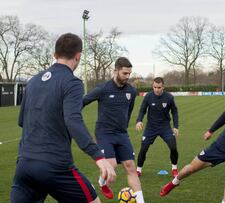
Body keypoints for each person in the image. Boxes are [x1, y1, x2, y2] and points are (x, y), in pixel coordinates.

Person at [10, 33, 116, 203]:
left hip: (24, 165)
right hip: (55, 166)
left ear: (55, 55)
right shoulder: (72, 83)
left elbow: (22, 121)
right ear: (78, 56)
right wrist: (99, 157)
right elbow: (73, 120)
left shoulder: (33, 81)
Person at [160, 84, 225, 203]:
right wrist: (211, 130)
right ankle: (174, 182)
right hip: (219, 146)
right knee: (191, 168)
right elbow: (224, 116)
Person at [83, 57, 145, 203]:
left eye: (129, 73)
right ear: (115, 71)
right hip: (104, 133)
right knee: (111, 165)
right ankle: (102, 183)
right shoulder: (103, 89)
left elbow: (128, 112)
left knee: (130, 166)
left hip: (121, 133)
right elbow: (82, 101)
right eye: (124, 73)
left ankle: (141, 201)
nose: (127, 76)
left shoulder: (131, 91)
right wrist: (70, 116)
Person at [135, 77, 179, 177]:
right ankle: (138, 170)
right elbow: (142, 110)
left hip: (165, 127)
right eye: (155, 87)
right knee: (143, 148)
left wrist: (176, 126)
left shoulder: (169, 97)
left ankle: (174, 169)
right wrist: (139, 121)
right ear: (153, 86)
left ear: (163, 87)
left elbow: (174, 112)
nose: (156, 89)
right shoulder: (148, 97)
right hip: (151, 127)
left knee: (173, 147)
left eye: (159, 87)